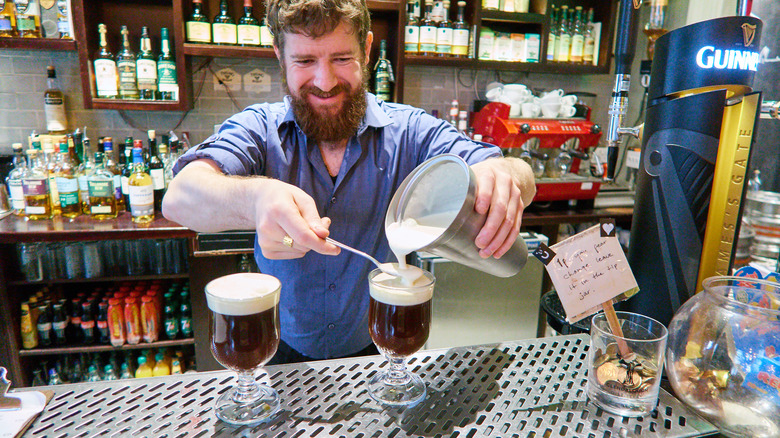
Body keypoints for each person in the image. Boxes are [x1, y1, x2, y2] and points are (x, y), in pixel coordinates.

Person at [163, 0, 536, 364]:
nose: (325, 82)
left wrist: (503, 176)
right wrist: (256, 198)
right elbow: (179, 198)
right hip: (282, 348)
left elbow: (515, 173)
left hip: (378, 348)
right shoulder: (259, 129)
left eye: (342, 59)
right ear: (279, 55)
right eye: (305, 61)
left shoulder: (411, 130)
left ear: (368, 49)